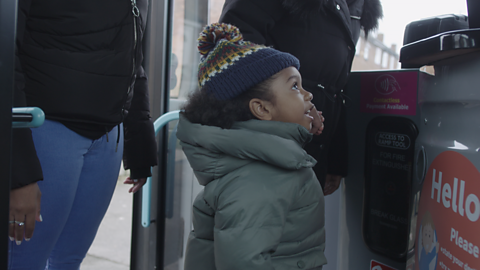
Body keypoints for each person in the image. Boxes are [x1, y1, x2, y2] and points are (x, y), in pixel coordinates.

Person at [9, 0, 157, 268]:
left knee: (69, 260)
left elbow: (133, 58)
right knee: (24, 261)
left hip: (109, 136)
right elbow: (7, 56)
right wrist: (17, 175)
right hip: (46, 129)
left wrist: (139, 143)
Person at [179, 23, 325, 270]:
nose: (307, 95)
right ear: (262, 109)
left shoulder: (268, 159)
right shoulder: (260, 178)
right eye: (294, 86)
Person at [220, 0, 383, 195]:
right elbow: (236, 40)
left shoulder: (359, 6)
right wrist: (296, 98)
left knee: (303, 220)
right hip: (267, 144)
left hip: (315, 146)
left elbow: (336, 86)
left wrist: (335, 157)